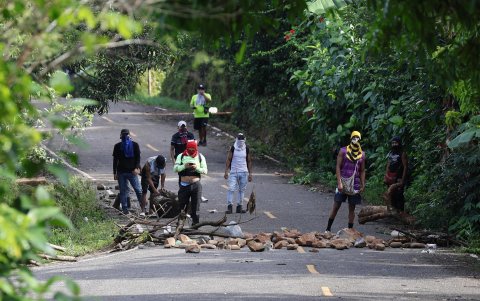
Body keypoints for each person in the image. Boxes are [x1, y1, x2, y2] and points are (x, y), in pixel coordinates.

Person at [325, 131, 366, 232]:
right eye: (354, 138)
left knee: (352, 209)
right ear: (351, 139)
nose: (356, 140)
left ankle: (350, 231)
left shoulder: (362, 154)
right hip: (343, 182)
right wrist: (339, 183)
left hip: (355, 185)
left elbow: (362, 170)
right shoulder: (343, 151)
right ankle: (328, 229)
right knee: (336, 205)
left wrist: (363, 183)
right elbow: (338, 167)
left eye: (358, 138)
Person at [173, 140, 208, 225]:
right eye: (190, 149)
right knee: (182, 207)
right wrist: (184, 166)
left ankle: (195, 226)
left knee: (196, 208)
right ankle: (180, 226)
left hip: (196, 185)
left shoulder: (200, 157)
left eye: (193, 149)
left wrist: (196, 168)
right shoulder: (181, 156)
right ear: (187, 148)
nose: (191, 150)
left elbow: (205, 171)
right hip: (184, 185)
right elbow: (175, 169)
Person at [113, 129, 144, 215]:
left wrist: (136, 168)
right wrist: (114, 173)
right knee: (123, 191)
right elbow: (115, 160)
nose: (125, 136)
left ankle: (143, 208)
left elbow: (138, 158)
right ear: (121, 136)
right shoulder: (117, 146)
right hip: (121, 172)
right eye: (124, 135)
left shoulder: (135, 145)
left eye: (126, 135)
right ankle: (125, 209)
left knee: (138, 190)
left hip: (132, 172)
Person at [224, 133, 253, 214]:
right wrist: (226, 171)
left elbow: (249, 161)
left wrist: (250, 174)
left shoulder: (246, 149)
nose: (240, 142)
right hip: (233, 172)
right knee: (231, 189)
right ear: (236, 140)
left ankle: (239, 207)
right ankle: (229, 207)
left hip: (244, 172)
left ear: (244, 140)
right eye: (239, 141)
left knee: (242, 190)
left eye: (242, 141)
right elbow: (228, 159)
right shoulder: (233, 148)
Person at [383, 136, 408, 213]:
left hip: (399, 177)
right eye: (393, 143)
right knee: (391, 195)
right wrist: (385, 176)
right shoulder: (390, 153)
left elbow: (405, 167)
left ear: (399, 143)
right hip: (390, 177)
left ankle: (401, 213)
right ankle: (393, 213)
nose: (394, 144)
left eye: (396, 143)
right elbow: (388, 164)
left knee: (399, 196)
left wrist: (402, 180)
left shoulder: (402, 153)